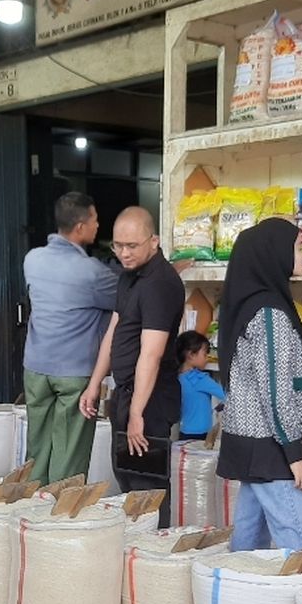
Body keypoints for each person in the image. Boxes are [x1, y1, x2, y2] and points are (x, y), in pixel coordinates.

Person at [214, 218, 302, 552]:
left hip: (251, 440)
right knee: (298, 539)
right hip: (270, 444)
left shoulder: (253, 305)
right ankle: (298, 587)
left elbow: (262, 364)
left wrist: (300, 342)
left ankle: (237, 582)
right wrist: (294, 455)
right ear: (276, 254)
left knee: (249, 539)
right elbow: (275, 390)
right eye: (298, 248)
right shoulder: (270, 314)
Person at [79, 207, 184, 527]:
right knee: (125, 475)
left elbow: (151, 355)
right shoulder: (128, 277)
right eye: (118, 246)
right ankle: (134, 544)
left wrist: (138, 412)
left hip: (151, 400)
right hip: (125, 393)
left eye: (132, 246)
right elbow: (114, 331)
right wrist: (95, 384)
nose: (124, 253)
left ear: (153, 241)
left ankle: (153, 545)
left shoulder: (160, 283)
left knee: (148, 486)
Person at [22, 192, 118, 483]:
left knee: (37, 449)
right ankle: (60, 507)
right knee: (69, 455)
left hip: (36, 368)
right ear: (80, 227)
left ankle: (32, 501)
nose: (98, 225)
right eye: (94, 220)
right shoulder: (91, 272)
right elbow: (125, 300)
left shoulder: (32, 259)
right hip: (74, 373)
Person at [176, 330, 226, 441]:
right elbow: (227, 395)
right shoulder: (199, 379)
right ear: (191, 355)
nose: (207, 358)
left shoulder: (178, 377)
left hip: (184, 431)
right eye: (205, 354)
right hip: (201, 434)